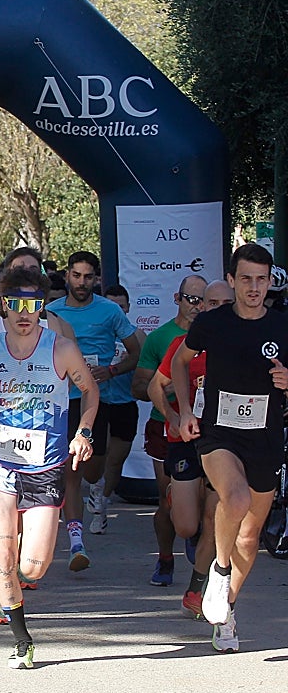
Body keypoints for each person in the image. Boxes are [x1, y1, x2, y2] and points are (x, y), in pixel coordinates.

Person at [0, 265, 97, 669]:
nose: (24, 313)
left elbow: (90, 391)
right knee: (4, 554)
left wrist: (83, 432)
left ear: (42, 307)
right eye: (15, 304)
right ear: (3, 306)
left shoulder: (61, 349)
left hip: (46, 466)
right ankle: (22, 640)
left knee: (33, 566)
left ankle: (4, 587)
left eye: (33, 305)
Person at [170, 243, 288, 653]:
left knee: (250, 537)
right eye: (246, 279)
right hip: (219, 433)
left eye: (262, 280)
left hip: (265, 437)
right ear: (232, 280)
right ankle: (218, 573)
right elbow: (180, 362)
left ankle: (226, 611)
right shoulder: (212, 322)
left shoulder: (282, 326)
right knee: (234, 497)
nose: (254, 287)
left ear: (270, 283)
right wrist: (186, 411)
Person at [47, 251, 142, 571]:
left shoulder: (109, 311)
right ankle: (76, 542)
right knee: (70, 473)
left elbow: (136, 352)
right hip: (62, 401)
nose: (82, 282)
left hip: (93, 400)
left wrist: (111, 371)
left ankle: (96, 487)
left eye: (88, 277)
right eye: (76, 275)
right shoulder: (52, 312)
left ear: (97, 279)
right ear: (67, 276)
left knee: (91, 470)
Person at [147, 279, 234, 620]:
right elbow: (155, 386)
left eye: (226, 304)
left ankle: (196, 590)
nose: (218, 310)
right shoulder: (185, 344)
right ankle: (178, 497)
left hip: (225, 441)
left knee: (214, 517)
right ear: (202, 307)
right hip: (185, 439)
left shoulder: (242, 342)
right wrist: (174, 416)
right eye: (212, 304)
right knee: (186, 526)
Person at [129, 275, 208, 584]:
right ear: (178, 298)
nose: (198, 306)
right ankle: (165, 558)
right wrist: (173, 394)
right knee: (166, 499)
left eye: (203, 301)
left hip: (205, 430)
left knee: (203, 498)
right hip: (165, 426)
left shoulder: (216, 334)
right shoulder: (161, 338)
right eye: (192, 300)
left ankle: (196, 539)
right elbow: (140, 386)